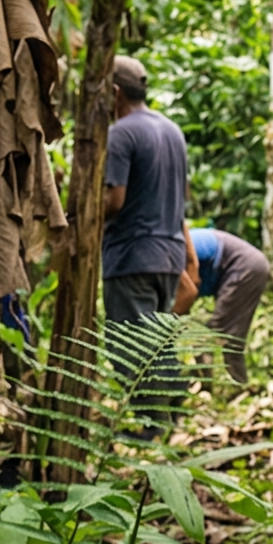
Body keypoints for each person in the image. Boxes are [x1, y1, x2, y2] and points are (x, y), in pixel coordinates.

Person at [101, 56, 197, 419]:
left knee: (131, 346)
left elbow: (115, 200)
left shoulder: (121, 132)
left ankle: (150, 424)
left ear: (113, 92)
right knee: (158, 341)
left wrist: (78, 218)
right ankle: (169, 416)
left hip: (133, 254)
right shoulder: (172, 130)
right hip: (169, 254)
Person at [178, 224, 272, 384]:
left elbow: (186, 293)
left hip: (245, 265)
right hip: (236, 267)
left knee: (225, 334)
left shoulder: (174, 252)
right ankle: (213, 382)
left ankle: (234, 385)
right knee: (222, 333)